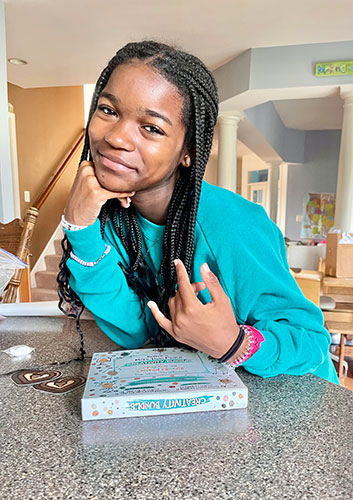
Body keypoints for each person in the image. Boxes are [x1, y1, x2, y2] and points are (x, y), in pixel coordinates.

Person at [58, 40, 338, 384]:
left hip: (299, 404)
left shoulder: (235, 225)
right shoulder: (112, 214)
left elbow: (311, 343)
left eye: (152, 128)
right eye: (108, 110)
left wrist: (233, 342)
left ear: (188, 151)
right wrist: (81, 228)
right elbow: (138, 328)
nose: (116, 137)